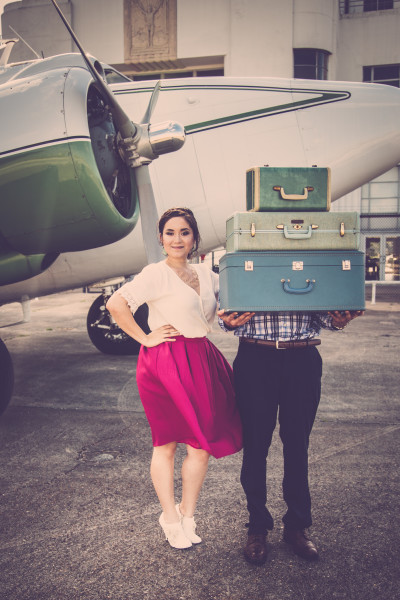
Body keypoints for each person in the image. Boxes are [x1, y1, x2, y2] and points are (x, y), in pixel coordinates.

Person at [106, 208, 251, 550]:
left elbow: (235, 297)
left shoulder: (206, 272)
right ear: (160, 238)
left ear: (193, 238)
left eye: (184, 232)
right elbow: (116, 304)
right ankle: (169, 518)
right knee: (167, 442)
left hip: (202, 356)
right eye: (169, 233)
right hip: (165, 360)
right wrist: (144, 338)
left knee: (201, 445)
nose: (176, 239)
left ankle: (188, 514)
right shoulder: (154, 273)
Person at [218, 308, 364, 565]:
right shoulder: (243, 267)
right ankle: (257, 528)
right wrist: (227, 323)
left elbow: (324, 317)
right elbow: (225, 313)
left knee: (298, 446)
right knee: (255, 447)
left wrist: (339, 321)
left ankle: (296, 526)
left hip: (302, 358)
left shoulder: (305, 268)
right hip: (254, 358)